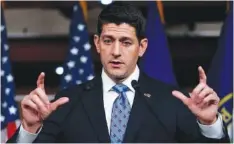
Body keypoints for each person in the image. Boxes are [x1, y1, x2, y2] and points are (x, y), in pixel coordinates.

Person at [7, 2, 230, 143]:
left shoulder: (170, 101)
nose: (115, 52)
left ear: (142, 47)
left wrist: (210, 125)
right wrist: (29, 129)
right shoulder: (69, 100)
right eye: (108, 41)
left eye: (125, 42)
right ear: (97, 43)